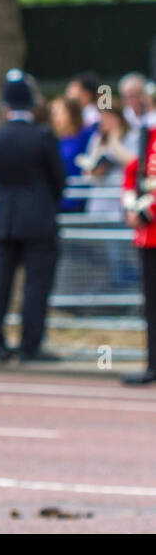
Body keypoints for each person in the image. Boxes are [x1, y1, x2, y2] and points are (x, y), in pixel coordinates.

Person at [0, 70, 66, 364]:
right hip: (38, 218)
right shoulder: (42, 137)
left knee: (1, 283)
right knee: (36, 285)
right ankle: (30, 344)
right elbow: (59, 180)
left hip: (5, 218)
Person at [122, 113, 156, 384]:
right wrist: (131, 206)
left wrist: (146, 212)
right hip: (149, 237)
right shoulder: (148, 134)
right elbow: (135, 170)